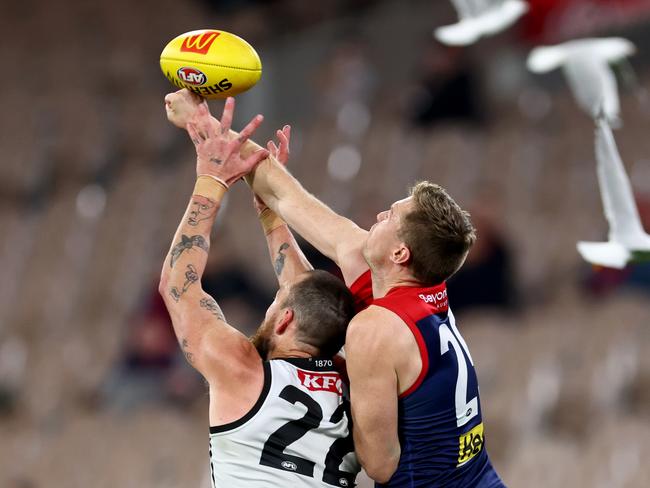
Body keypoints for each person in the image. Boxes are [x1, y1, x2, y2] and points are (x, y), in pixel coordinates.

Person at [165, 89, 506, 487]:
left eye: (389, 216)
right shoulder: (415, 289)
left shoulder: (373, 331)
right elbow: (285, 195)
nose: (378, 214)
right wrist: (204, 125)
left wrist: (210, 177)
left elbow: (379, 465)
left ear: (399, 252)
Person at [159, 99, 360, 488]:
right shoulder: (359, 381)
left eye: (275, 305)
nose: (270, 308)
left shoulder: (242, 370)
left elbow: (177, 286)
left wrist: (210, 180)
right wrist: (271, 208)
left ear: (284, 319)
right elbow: (306, 294)